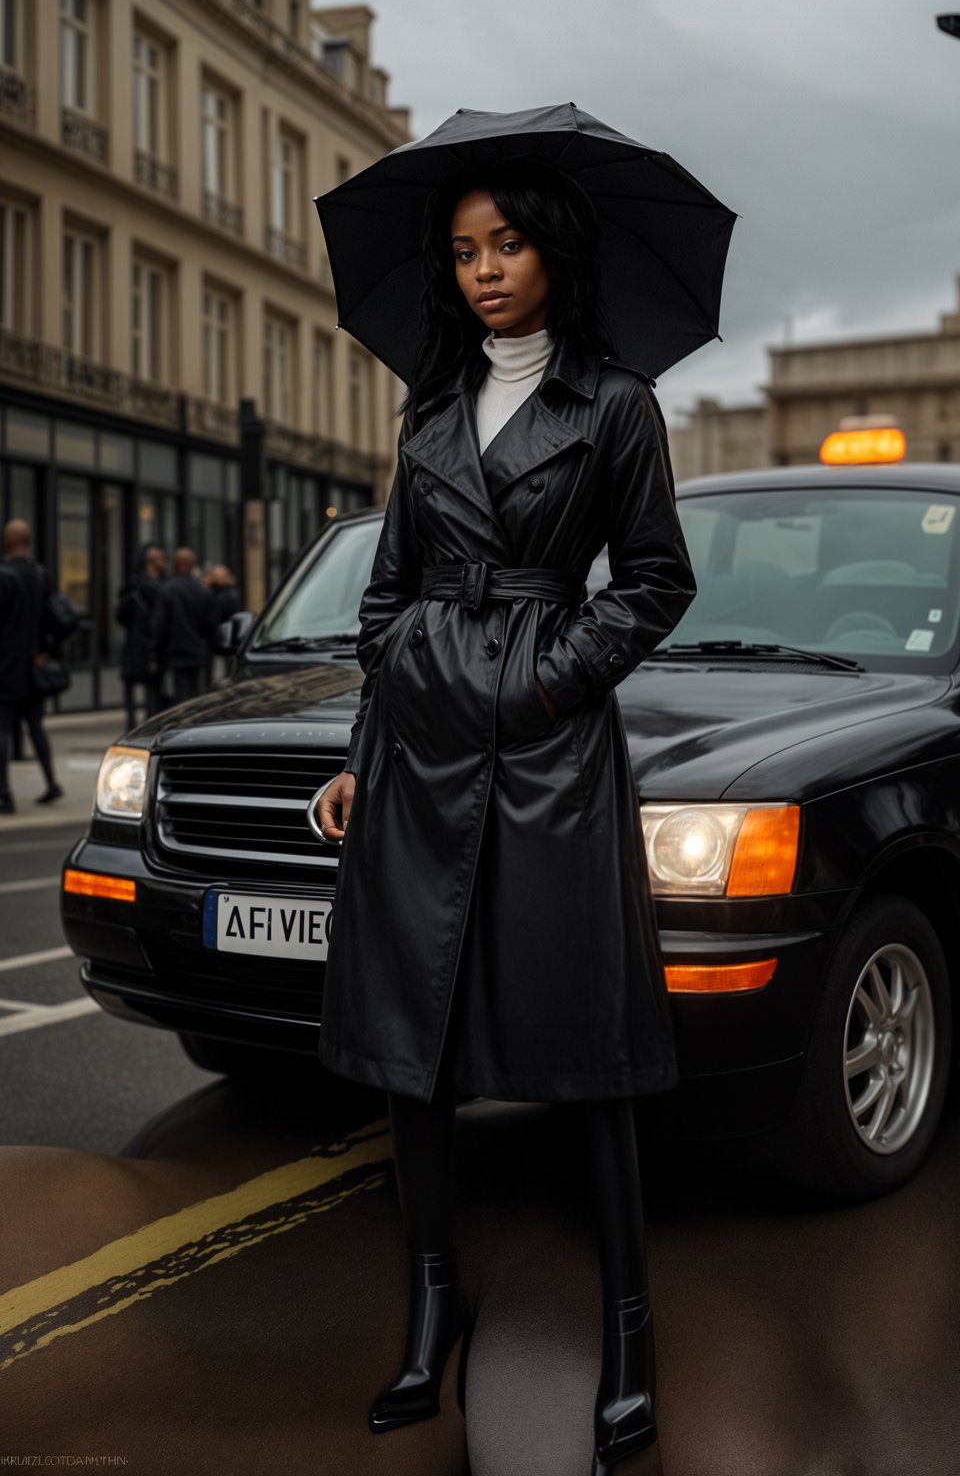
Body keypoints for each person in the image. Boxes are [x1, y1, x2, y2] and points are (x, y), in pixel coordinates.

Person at [315, 158, 696, 1473]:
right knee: (411, 1045)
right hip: (418, 752)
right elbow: (380, 606)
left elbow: (654, 583)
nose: (483, 267)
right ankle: (433, 1306)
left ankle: (631, 1331)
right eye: (466, 248)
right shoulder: (425, 416)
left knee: (583, 1047)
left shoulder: (620, 407)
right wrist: (377, 742)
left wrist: (545, 676)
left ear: (557, 257)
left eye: (510, 244)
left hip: (546, 754)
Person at [0, 520, 63, 814]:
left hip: (7, 668)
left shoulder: (5, 576)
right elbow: (55, 619)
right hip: (34, 668)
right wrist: (45, 651)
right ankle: (51, 782)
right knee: (36, 728)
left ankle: (4, 794)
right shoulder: (40, 575)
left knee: (3, 731)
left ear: (7, 541)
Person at [145, 547, 216, 707]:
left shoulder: (168, 590)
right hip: (196, 652)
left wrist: (152, 654)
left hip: (174, 653)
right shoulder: (203, 591)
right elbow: (210, 624)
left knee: (178, 700)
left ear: (175, 564)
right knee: (196, 698)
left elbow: (158, 624)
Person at [116, 543, 166, 729]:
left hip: (133, 644)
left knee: (132, 689)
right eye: (159, 559)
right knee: (152, 690)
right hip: (148, 644)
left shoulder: (133, 586)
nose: (163, 562)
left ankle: (132, 727)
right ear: (150, 563)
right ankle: (149, 726)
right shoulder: (156, 588)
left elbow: (120, 617)